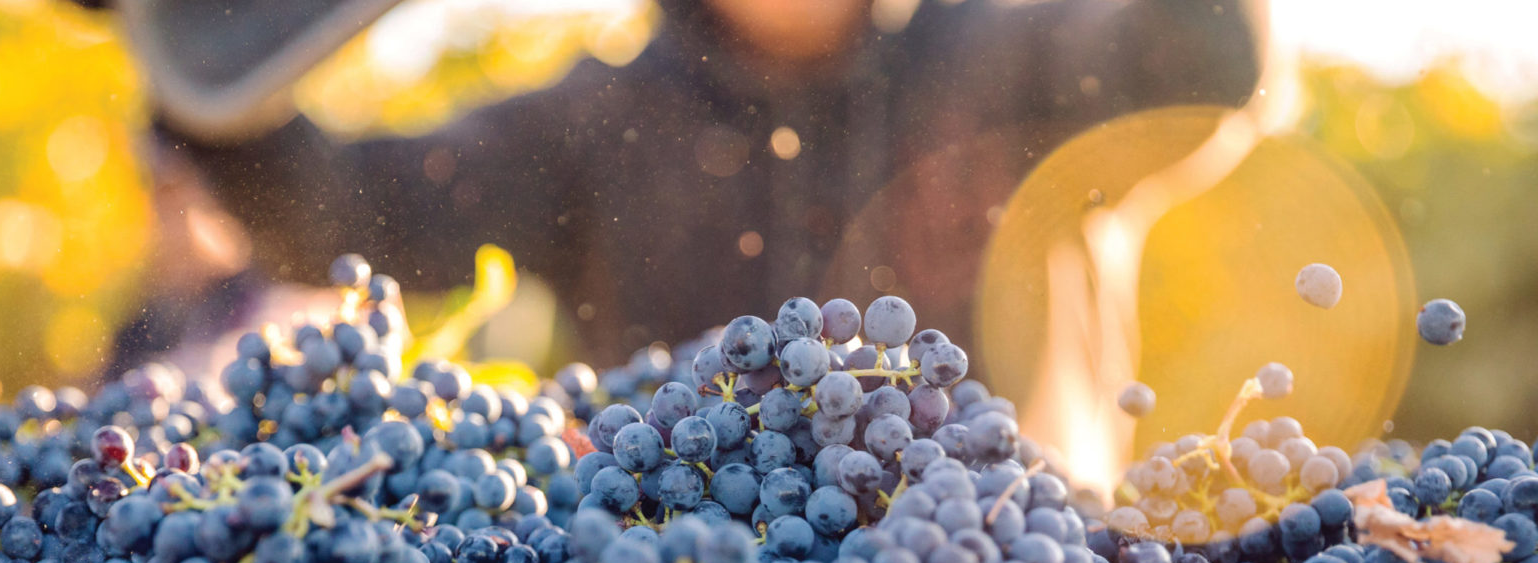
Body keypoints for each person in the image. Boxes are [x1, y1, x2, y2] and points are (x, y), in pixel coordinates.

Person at [130, 0, 1267, 363]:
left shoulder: (1026, 57)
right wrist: (200, 71)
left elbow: (1204, 64)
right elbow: (340, 218)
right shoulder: (593, 123)